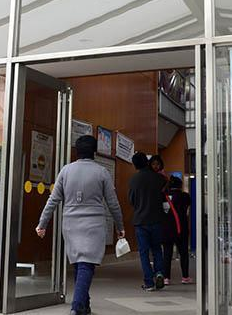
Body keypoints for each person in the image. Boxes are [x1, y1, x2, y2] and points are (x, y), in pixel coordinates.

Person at [36, 135, 125, 315]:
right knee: (86, 264)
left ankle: (84, 305)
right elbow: (113, 203)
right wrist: (120, 226)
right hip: (94, 225)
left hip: (70, 224)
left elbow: (53, 200)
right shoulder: (102, 172)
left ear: (77, 151)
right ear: (94, 151)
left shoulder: (66, 171)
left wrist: (42, 223)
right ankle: (77, 307)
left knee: (79, 263)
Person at [128, 152, 166, 291]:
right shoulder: (159, 178)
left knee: (144, 253)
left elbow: (131, 200)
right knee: (157, 249)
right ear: (147, 162)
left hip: (141, 221)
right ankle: (159, 272)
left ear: (135, 165)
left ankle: (149, 282)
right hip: (157, 219)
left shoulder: (134, 180)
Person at [161, 176, 192, 285]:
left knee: (167, 254)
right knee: (183, 253)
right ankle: (185, 277)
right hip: (181, 228)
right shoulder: (185, 196)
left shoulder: (163, 196)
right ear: (180, 185)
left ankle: (166, 278)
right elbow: (187, 208)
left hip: (167, 229)